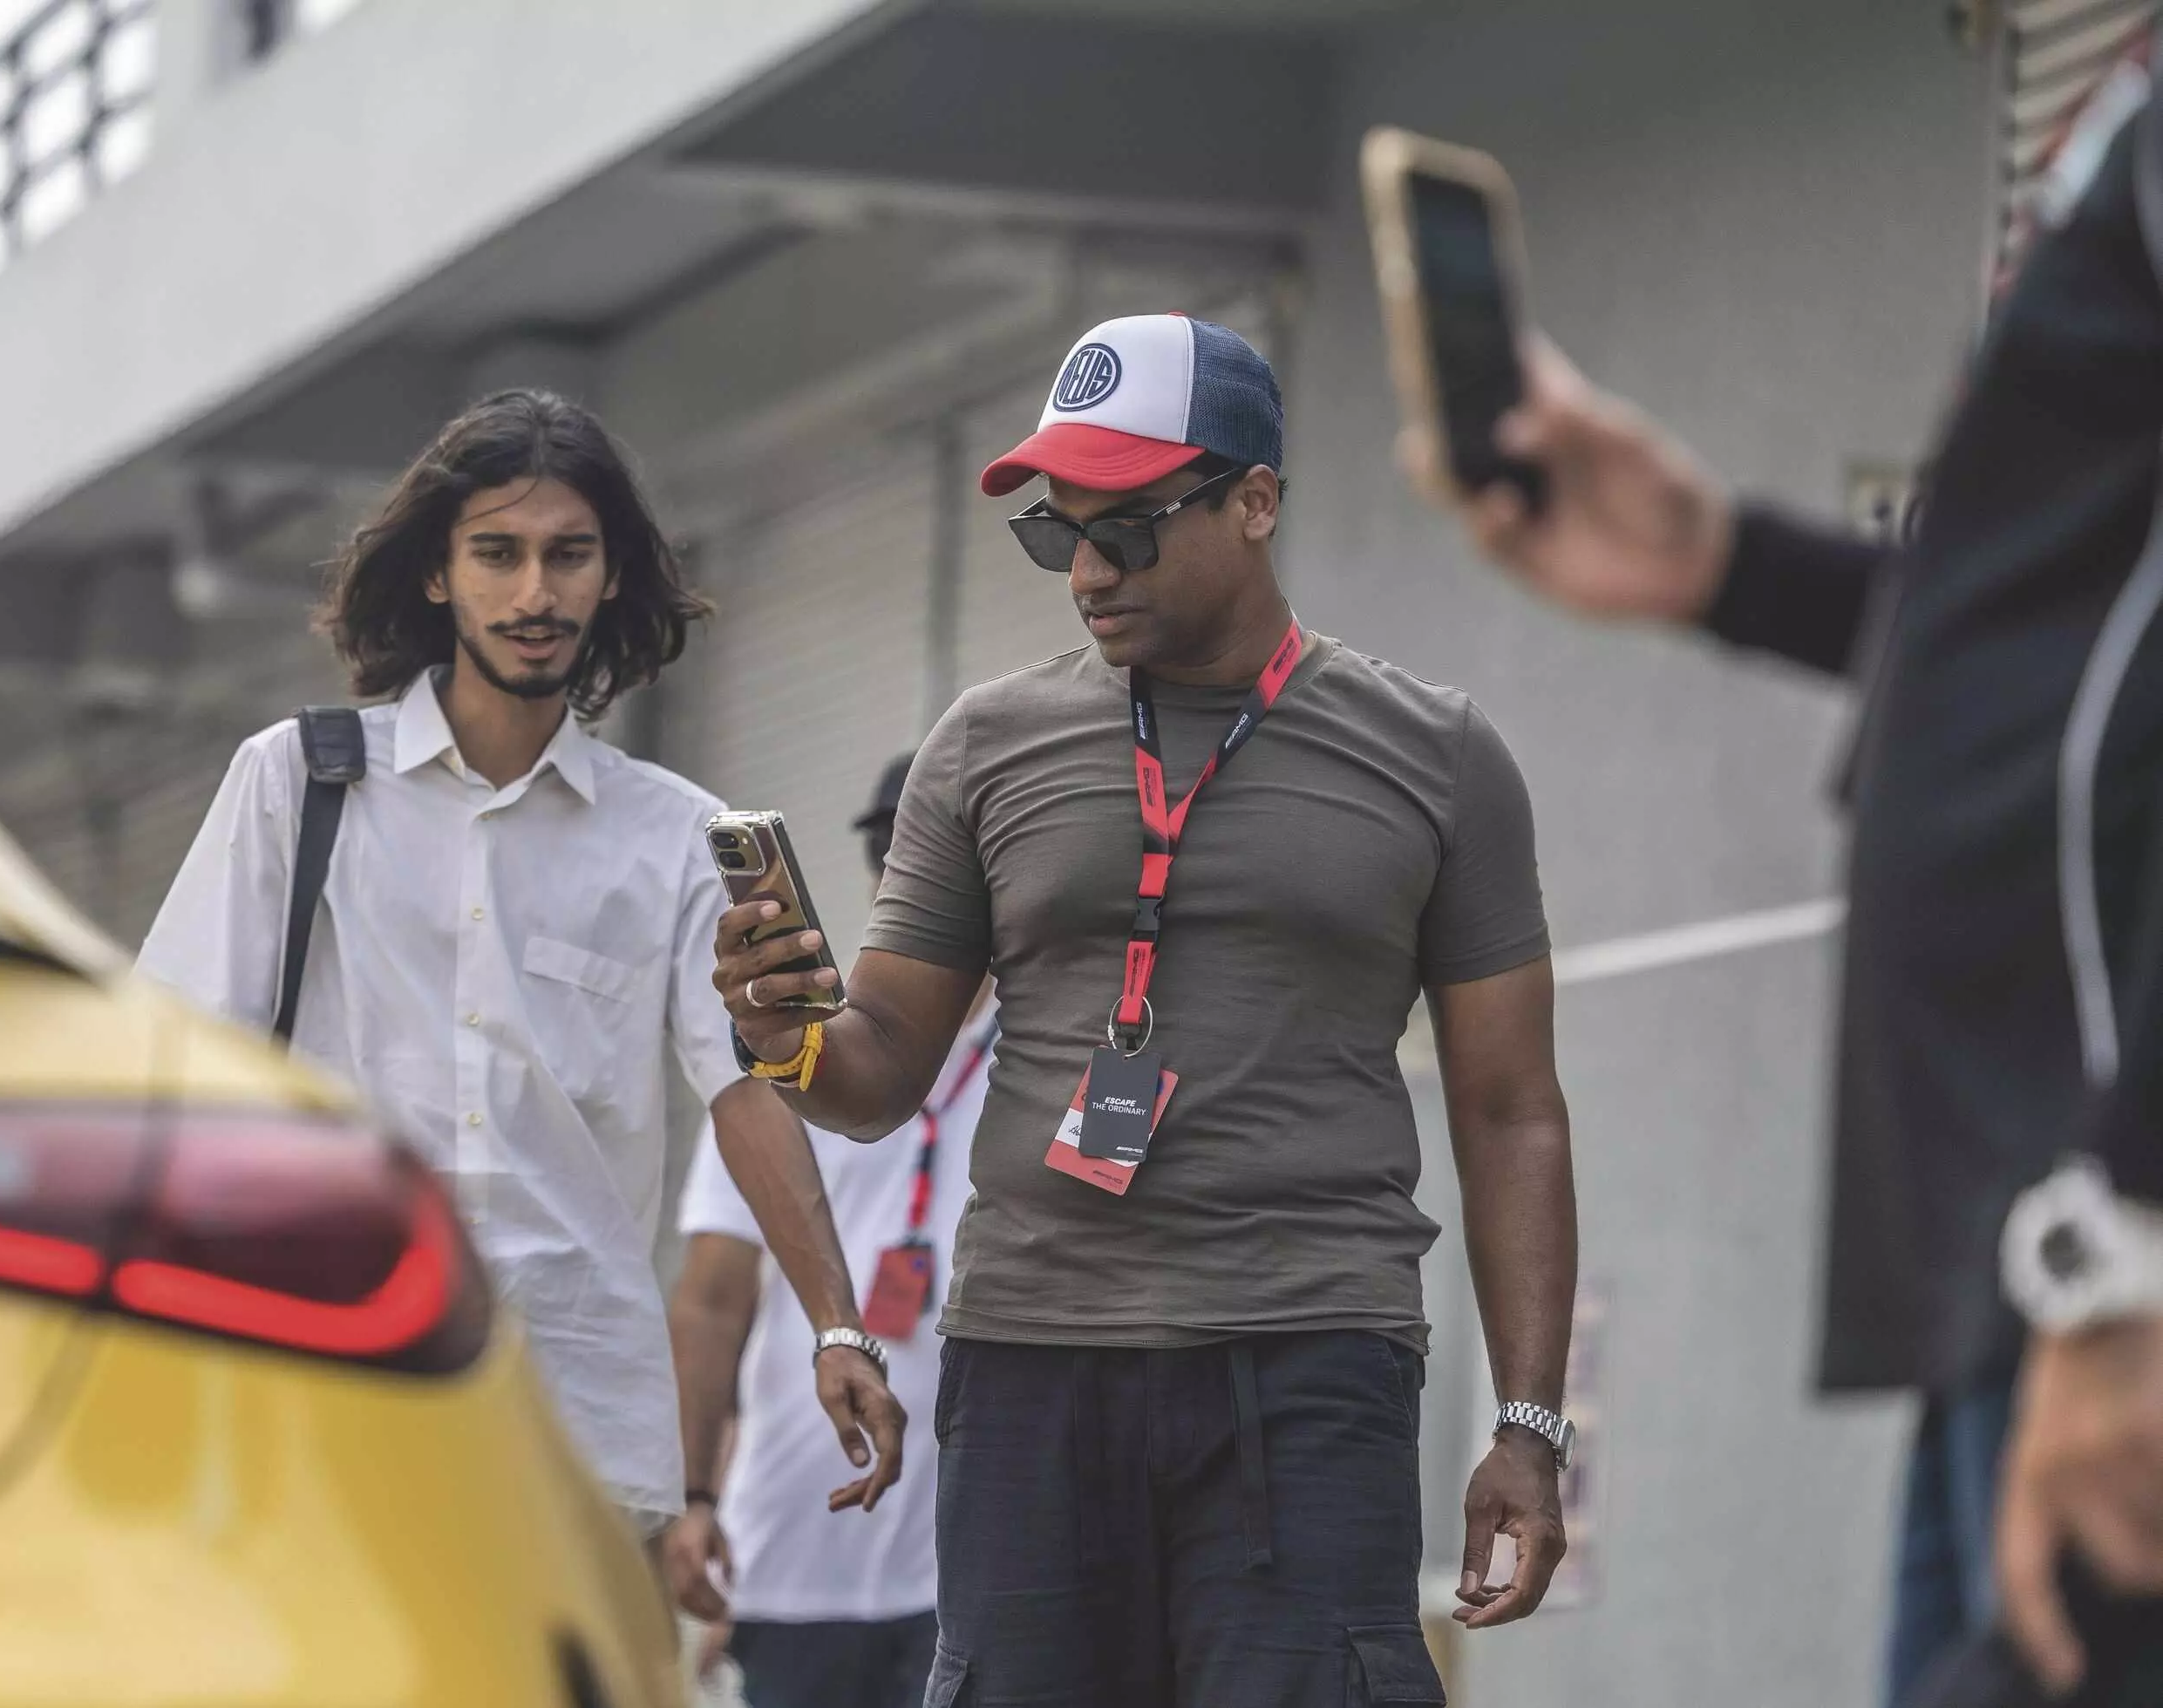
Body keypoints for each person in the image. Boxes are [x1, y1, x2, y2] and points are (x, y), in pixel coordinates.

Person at [706, 313, 1579, 1706]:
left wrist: (1527, 1421)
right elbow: (872, 1076)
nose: (1086, 570)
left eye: (1124, 528)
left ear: (1255, 501)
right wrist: (783, 1032)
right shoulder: (983, 746)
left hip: (1309, 1360)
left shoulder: (1435, 754)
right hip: (1028, 1364)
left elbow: (1509, 1106)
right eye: (1055, 533)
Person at [1414, 96, 2163, 1708]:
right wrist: (1730, 568)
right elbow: (2059, 617)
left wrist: (2136, 1229)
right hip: (2024, 1253)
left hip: (2102, 1235)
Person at [139, 389, 903, 1534]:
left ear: (610, 575)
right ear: (437, 573)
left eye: (568, 555)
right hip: (326, 1379)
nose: (535, 593)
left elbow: (746, 1092)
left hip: (573, 1415)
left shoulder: (675, 836)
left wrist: (835, 1324)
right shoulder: (296, 784)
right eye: (497, 553)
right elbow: (171, 1069)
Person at [663, 755, 999, 1708]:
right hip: (795, 1546)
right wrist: (695, 1496)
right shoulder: (796, 1047)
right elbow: (713, 1299)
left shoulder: (1051, 1053)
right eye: (896, 852)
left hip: (979, 1557)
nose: (912, 874)